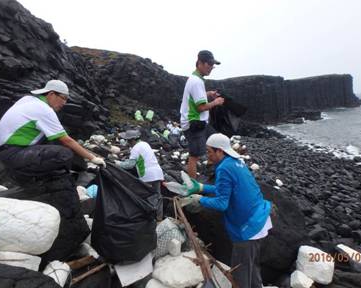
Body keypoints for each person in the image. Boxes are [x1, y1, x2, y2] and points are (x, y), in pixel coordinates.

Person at [184, 133, 272, 288]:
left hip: (248, 227)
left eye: (210, 151)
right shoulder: (235, 161)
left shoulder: (224, 168)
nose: (208, 155)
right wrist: (201, 187)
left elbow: (222, 203)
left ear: (220, 151)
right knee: (252, 267)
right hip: (260, 218)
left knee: (241, 273)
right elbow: (226, 189)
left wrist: (200, 200)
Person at [0, 79, 105, 182]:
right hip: (12, 154)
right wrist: (92, 158)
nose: (64, 103)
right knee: (64, 154)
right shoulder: (43, 109)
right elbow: (66, 140)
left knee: (54, 140)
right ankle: (33, 179)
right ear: (51, 94)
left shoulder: (28, 100)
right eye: (64, 98)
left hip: (5, 150)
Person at [180, 50, 225, 179]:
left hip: (200, 122)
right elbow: (201, 107)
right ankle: (192, 187)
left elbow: (196, 98)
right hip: (193, 123)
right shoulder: (196, 82)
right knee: (194, 156)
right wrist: (216, 102)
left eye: (212, 65)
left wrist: (208, 94)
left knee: (215, 142)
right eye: (208, 64)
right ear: (200, 63)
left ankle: (211, 169)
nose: (210, 67)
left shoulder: (196, 80)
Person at [115, 129, 164, 220]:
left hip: (147, 175)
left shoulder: (135, 148)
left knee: (148, 197)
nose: (128, 142)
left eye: (128, 140)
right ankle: (159, 217)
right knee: (157, 196)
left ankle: (150, 218)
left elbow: (130, 165)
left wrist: (117, 163)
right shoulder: (145, 144)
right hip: (157, 173)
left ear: (132, 140)